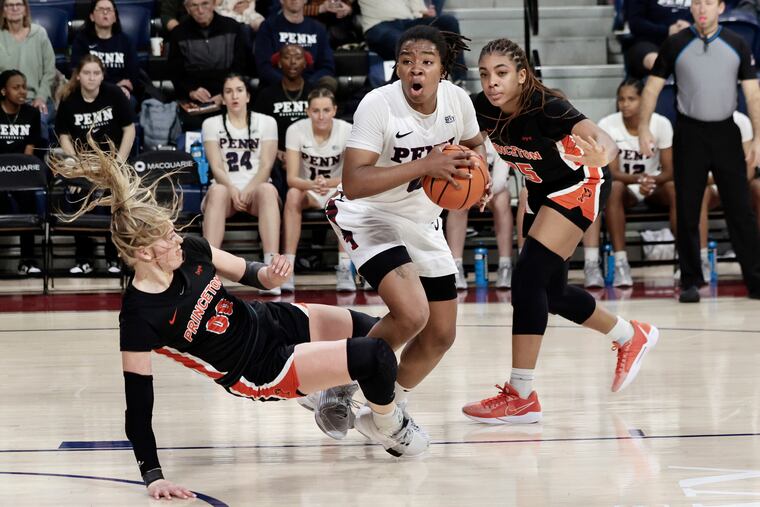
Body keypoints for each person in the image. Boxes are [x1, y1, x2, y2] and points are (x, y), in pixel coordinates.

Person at [47, 137, 429, 500]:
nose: (179, 238)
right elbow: (139, 405)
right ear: (144, 254)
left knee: (373, 327)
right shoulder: (138, 317)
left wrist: (271, 275)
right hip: (258, 368)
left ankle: (333, 391)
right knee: (375, 356)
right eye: (167, 237)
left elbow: (251, 273)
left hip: (271, 319)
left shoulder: (191, 250)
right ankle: (388, 426)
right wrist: (154, 476)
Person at [462, 38, 659, 425]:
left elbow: (602, 140)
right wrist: (477, 175)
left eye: (501, 73)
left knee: (527, 281)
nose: (492, 82)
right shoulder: (480, 108)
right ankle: (628, 335)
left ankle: (521, 394)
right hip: (539, 190)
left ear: (522, 75)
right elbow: (470, 146)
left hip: (580, 184)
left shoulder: (548, 108)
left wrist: (603, 152)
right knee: (548, 292)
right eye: (485, 74)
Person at [312, 25, 486, 439]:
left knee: (441, 334)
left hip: (422, 220)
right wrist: (425, 165)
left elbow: (475, 145)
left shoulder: (457, 100)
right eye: (407, 61)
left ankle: (383, 407)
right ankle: (337, 387)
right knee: (412, 314)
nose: (415, 70)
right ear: (397, 67)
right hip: (367, 213)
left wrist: (479, 176)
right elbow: (353, 181)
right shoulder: (378, 104)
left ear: (442, 69)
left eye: (426, 62)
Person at [638, 0, 760, 303]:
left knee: (740, 210)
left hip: (726, 133)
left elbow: (753, 93)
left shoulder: (737, 44)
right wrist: (643, 128)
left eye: (708, 2)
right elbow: (652, 88)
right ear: (690, 9)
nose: (701, 9)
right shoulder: (675, 43)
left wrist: (758, 136)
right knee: (688, 208)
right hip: (690, 133)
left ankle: (756, 279)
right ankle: (690, 280)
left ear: (720, 7)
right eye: (696, 3)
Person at [581, 78, 675, 288]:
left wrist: (652, 180)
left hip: (655, 185)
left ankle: (686, 259)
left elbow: (669, 171)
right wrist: (639, 180)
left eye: (631, 99)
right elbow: (612, 172)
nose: (625, 104)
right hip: (627, 187)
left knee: (675, 189)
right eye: (621, 99)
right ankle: (621, 262)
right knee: (612, 188)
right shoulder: (608, 124)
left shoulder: (661, 123)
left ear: (645, 100)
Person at [201, 74, 281, 294]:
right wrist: (233, 189)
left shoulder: (267, 122)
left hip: (256, 191)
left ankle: (270, 270)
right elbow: (216, 166)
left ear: (248, 96)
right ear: (223, 98)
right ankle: (208, 272)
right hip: (225, 191)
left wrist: (248, 189)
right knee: (217, 190)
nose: (234, 95)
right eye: (228, 91)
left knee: (267, 189)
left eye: (239, 90)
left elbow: (266, 166)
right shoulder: (211, 123)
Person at [55, 54, 135, 274]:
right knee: (77, 194)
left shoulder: (114, 94)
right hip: (82, 162)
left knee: (114, 201)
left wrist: (119, 162)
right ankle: (84, 259)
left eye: (96, 73)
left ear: (102, 76)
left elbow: (129, 129)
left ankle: (113, 258)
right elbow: (63, 135)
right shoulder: (69, 98)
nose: (92, 78)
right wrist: (76, 162)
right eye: (87, 73)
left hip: (112, 160)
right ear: (78, 76)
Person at [282, 87, 353, 292]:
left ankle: (345, 267)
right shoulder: (295, 130)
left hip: (337, 188)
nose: (321, 116)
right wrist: (314, 184)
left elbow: (352, 176)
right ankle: (288, 268)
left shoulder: (346, 130)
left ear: (334, 110)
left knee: (348, 198)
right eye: (315, 110)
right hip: (308, 189)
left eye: (326, 110)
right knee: (292, 195)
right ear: (307, 111)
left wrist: (329, 183)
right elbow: (292, 179)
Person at [168, 0, 248, 130]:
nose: (200, 10)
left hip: (228, 95)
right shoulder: (178, 33)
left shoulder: (233, 28)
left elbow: (241, 66)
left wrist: (226, 93)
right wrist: (191, 91)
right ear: (187, 8)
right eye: (194, 5)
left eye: (205, 3)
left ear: (214, 4)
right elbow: (175, 72)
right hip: (194, 99)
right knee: (192, 125)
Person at [447, 136, 515, 290]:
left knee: (502, 199)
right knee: (457, 204)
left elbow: (500, 180)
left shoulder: (500, 138)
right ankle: (455, 266)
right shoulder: (461, 138)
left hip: (491, 191)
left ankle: (505, 266)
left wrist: (481, 193)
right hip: (465, 189)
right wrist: (471, 194)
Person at [253, 43, 313, 199]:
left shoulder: (314, 93)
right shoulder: (266, 95)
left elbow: (325, 128)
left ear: (305, 62)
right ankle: (276, 207)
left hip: (310, 152)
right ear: (279, 63)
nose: (292, 62)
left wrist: (299, 155)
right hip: (276, 154)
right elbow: (256, 131)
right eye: (287, 57)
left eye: (298, 57)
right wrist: (277, 152)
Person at [356, 0, 467, 83]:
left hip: (408, 22)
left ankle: (459, 80)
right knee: (405, 42)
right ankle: (400, 89)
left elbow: (417, 5)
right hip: (378, 25)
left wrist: (423, 12)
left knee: (449, 22)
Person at [0, 69, 42, 274]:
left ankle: (28, 261)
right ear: (3, 91)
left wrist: (19, 171)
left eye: (24, 87)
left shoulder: (31, 114)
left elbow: (29, 151)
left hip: (21, 173)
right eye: (16, 87)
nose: (22, 91)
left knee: (29, 200)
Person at [0, 0, 56, 140]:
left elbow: (50, 71)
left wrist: (41, 96)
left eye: (18, 4)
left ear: (25, 9)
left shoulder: (39, 33)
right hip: (4, 100)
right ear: (3, 10)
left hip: (35, 98)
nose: (14, 8)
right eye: (9, 5)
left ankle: (41, 162)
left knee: (38, 121)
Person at [254, 0, 336, 90]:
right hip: (277, 87)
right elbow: (264, 66)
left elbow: (327, 66)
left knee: (329, 81)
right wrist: (287, 84)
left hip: (311, 87)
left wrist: (306, 84)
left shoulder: (318, 29)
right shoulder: (268, 27)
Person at [70, 0, 140, 106]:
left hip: (121, 93)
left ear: (115, 17)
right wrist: (114, 85)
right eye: (101, 9)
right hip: (90, 92)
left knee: (128, 102)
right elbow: (77, 72)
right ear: (92, 16)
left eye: (109, 10)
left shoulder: (126, 42)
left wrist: (120, 88)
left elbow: (132, 75)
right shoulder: (81, 41)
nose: (105, 13)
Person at [624, 0, 692, 79]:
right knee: (656, 61)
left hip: (691, 40)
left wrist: (691, 28)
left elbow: (707, 17)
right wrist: (667, 30)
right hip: (650, 42)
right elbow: (635, 23)